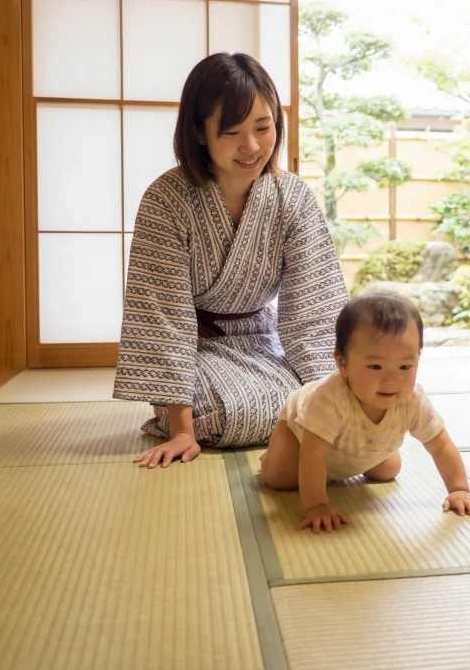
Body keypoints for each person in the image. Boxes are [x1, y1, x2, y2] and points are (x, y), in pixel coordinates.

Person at [114, 52, 348, 468]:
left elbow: (314, 308)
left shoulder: (292, 197)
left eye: (264, 127)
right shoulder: (166, 200)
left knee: (310, 402)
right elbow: (162, 317)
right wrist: (182, 430)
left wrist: (331, 399)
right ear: (199, 133)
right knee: (231, 414)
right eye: (232, 132)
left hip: (263, 340)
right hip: (195, 349)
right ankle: (183, 416)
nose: (252, 146)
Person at [259, 292, 470, 533]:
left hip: (353, 442)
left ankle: (359, 456)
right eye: (376, 366)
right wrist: (317, 506)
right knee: (279, 478)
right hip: (301, 436)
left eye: (405, 366)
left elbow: (441, 446)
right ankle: (271, 454)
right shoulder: (328, 399)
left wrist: (459, 490)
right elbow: (313, 456)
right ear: (343, 364)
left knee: (388, 471)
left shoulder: (412, 400)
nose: (391, 380)